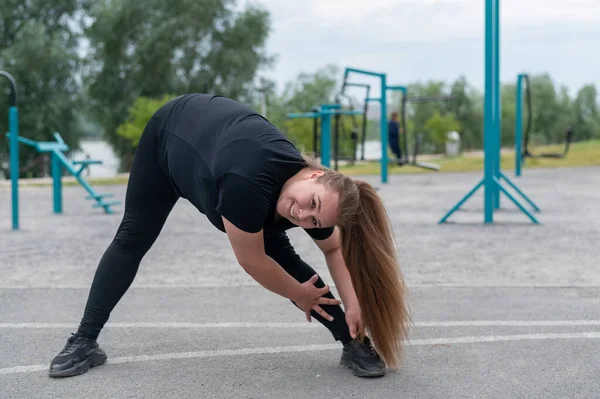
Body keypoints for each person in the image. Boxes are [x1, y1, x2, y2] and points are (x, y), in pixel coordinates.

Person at [48, 93, 411, 379]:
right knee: (132, 239)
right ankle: (83, 340)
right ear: (313, 175)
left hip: (223, 153)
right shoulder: (248, 183)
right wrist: (299, 295)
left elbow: (334, 250)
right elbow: (252, 261)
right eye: (309, 205)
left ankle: (353, 341)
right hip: (169, 139)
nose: (303, 215)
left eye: (314, 219)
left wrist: (354, 304)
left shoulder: (322, 200)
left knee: (283, 256)